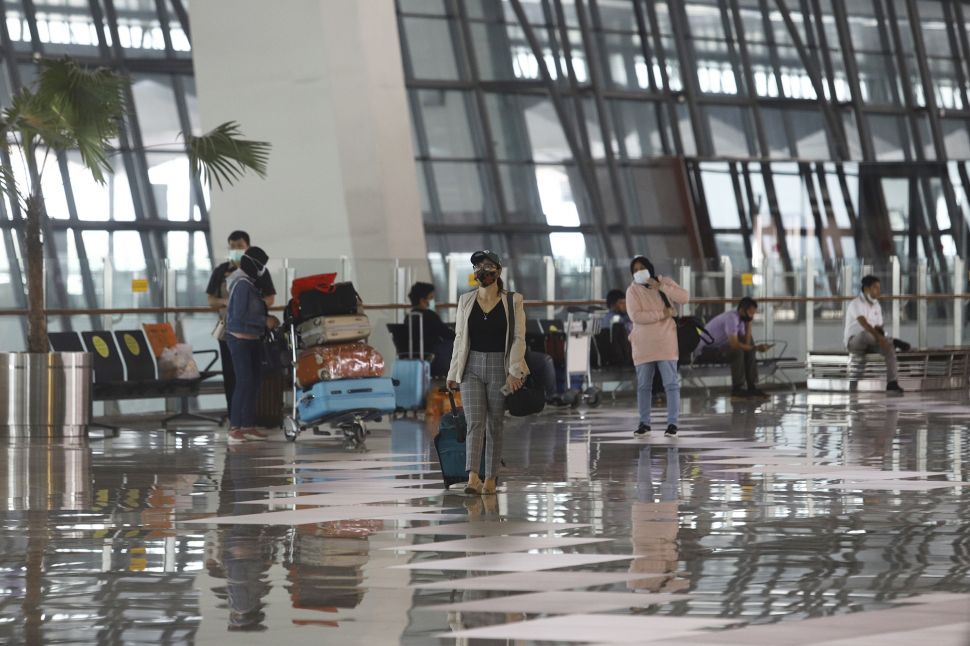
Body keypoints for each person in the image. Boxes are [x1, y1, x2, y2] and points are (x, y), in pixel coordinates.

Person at [447, 250, 528, 495]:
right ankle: (473, 476)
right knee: (475, 423)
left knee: (494, 424)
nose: (483, 271)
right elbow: (459, 339)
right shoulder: (465, 300)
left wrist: (515, 371)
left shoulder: (513, 301)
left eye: (488, 266)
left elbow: (518, 338)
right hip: (471, 367)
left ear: (498, 271)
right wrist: (453, 373)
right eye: (478, 267)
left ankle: (491, 477)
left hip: (499, 367)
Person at [206, 231, 276, 411]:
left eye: (240, 246)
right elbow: (211, 299)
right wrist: (227, 302)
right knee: (231, 374)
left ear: (248, 248)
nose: (235, 250)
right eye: (232, 246)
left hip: (253, 329)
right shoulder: (221, 271)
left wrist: (251, 305)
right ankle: (234, 415)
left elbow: (270, 297)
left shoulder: (260, 272)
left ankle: (251, 417)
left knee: (252, 374)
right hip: (228, 330)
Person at [626, 255, 689, 437]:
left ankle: (672, 424)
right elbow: (636, 316)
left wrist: (661, 286)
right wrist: (663, 313)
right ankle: (644, 423)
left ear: (649, 268)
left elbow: (684, 297)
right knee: (644, 385)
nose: (639, 272)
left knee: (671, 384)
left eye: (642, 268)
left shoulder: (664, 282)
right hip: (643, 344)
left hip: (666, 342)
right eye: (635, 270)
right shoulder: (632, 291)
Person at [225, 247, 279, 442]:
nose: (263, 270)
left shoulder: (251, 284)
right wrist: (264, 321)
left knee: (254, 381)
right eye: (261, 266)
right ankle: (235, 427)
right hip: (239, 339)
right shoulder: (241, 285)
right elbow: (239, 316)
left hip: (252, 339)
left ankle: (248, 425)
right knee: (244, 381)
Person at [694, 297, 771, 398]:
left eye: (753, 314)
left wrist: (749, 323)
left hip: (719, 348)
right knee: (737, 350)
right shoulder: (732, 318)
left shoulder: (742, 319)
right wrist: (755, 348)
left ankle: (752, 387)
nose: (752, 316)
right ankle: (737, 389)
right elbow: (734, 344)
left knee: (749, 347)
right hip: (705, 351)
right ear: (742, 310)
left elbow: (747, 343)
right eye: (750, 313)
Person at [845, 275, 904, 394]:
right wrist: (881, 338)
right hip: (855, 342)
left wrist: (883, 337)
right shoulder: (855, 303)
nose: (878, 291)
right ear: (866, 289)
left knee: (889, 348)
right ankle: (892, 340)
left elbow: (879, 327)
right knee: (865, 334)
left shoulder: (877, 305)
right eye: (875, 287)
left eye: (879, 288)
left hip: (872, 342)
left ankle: (892, 383)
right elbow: (864, 324)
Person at [407, 281, 456, 377]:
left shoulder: (409, 316)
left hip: (416, 358)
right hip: (433, 360)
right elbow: (447, 334)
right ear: (422, 300)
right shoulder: (429, 315)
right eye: (431, 298)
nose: (433, 300)